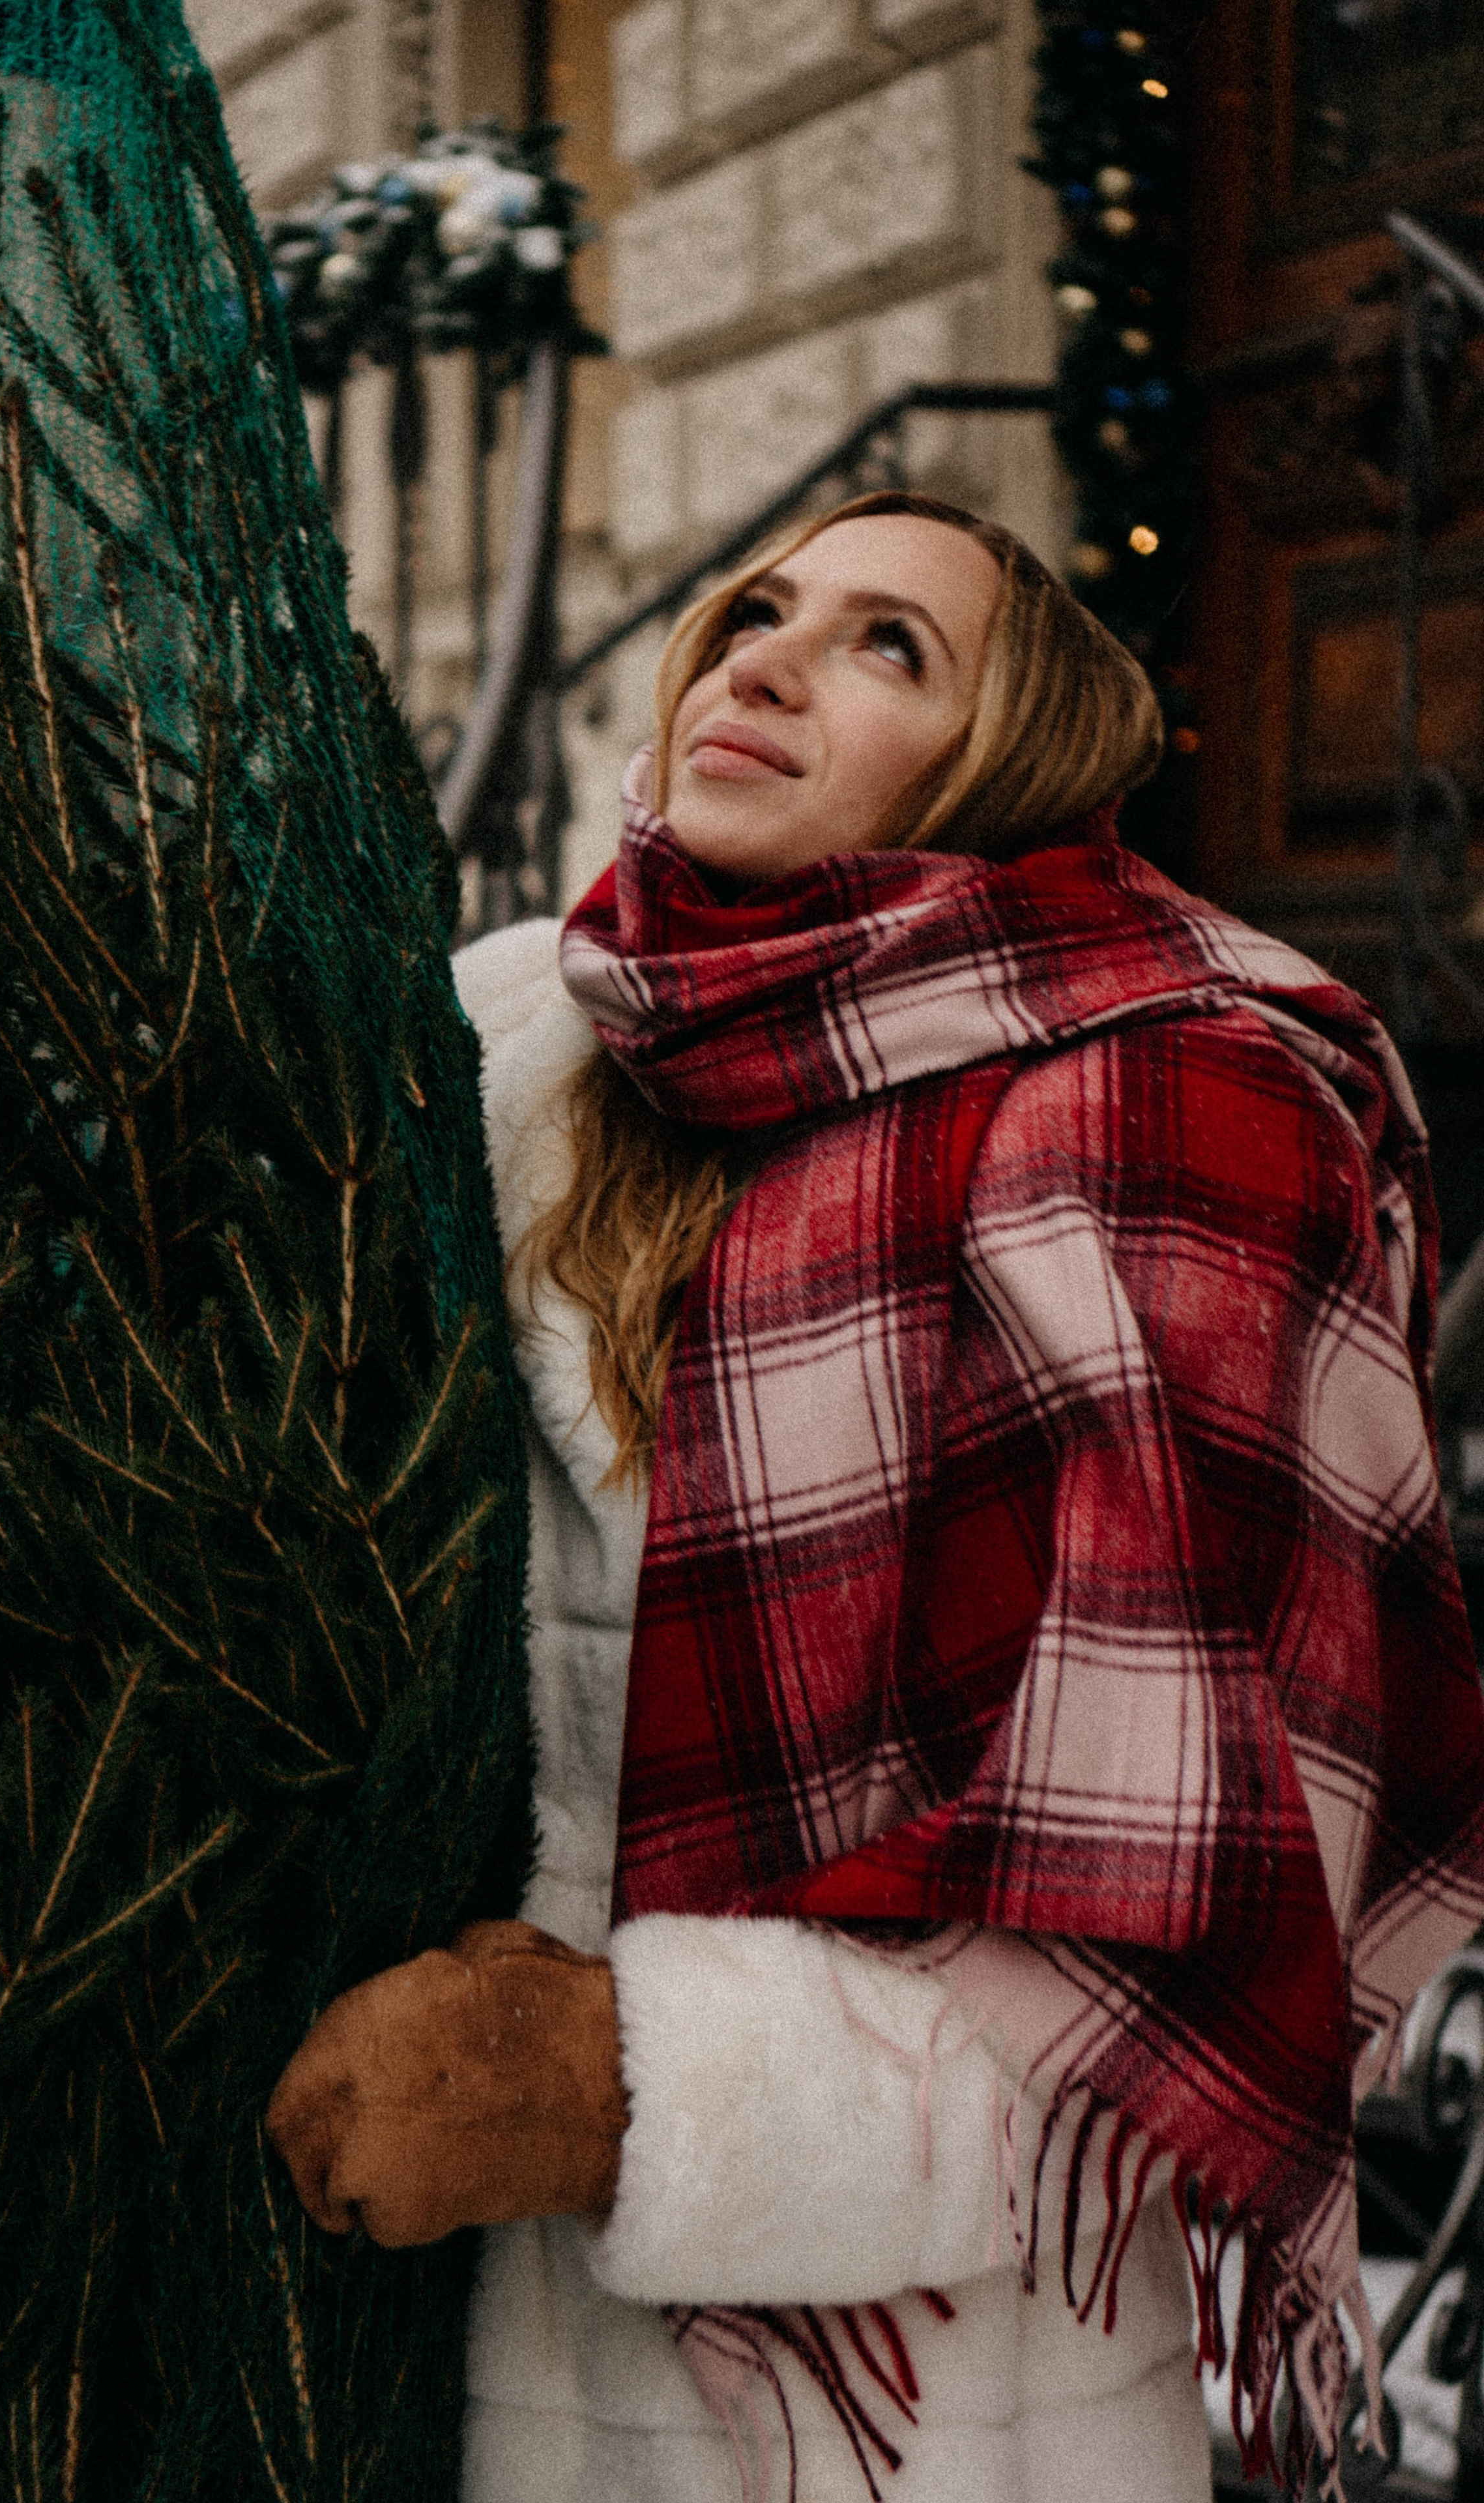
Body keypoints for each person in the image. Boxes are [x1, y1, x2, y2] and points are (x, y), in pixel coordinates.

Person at [266, 492, 1484, 2503]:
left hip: (920, 2400)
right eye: (757, 609)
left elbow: (1184, 1924)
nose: (765, 658)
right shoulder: (512, 1045)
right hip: (415, 2286)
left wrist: (628, 2088)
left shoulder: (1172, 1111)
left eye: (888, 646)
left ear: (1009, 772)